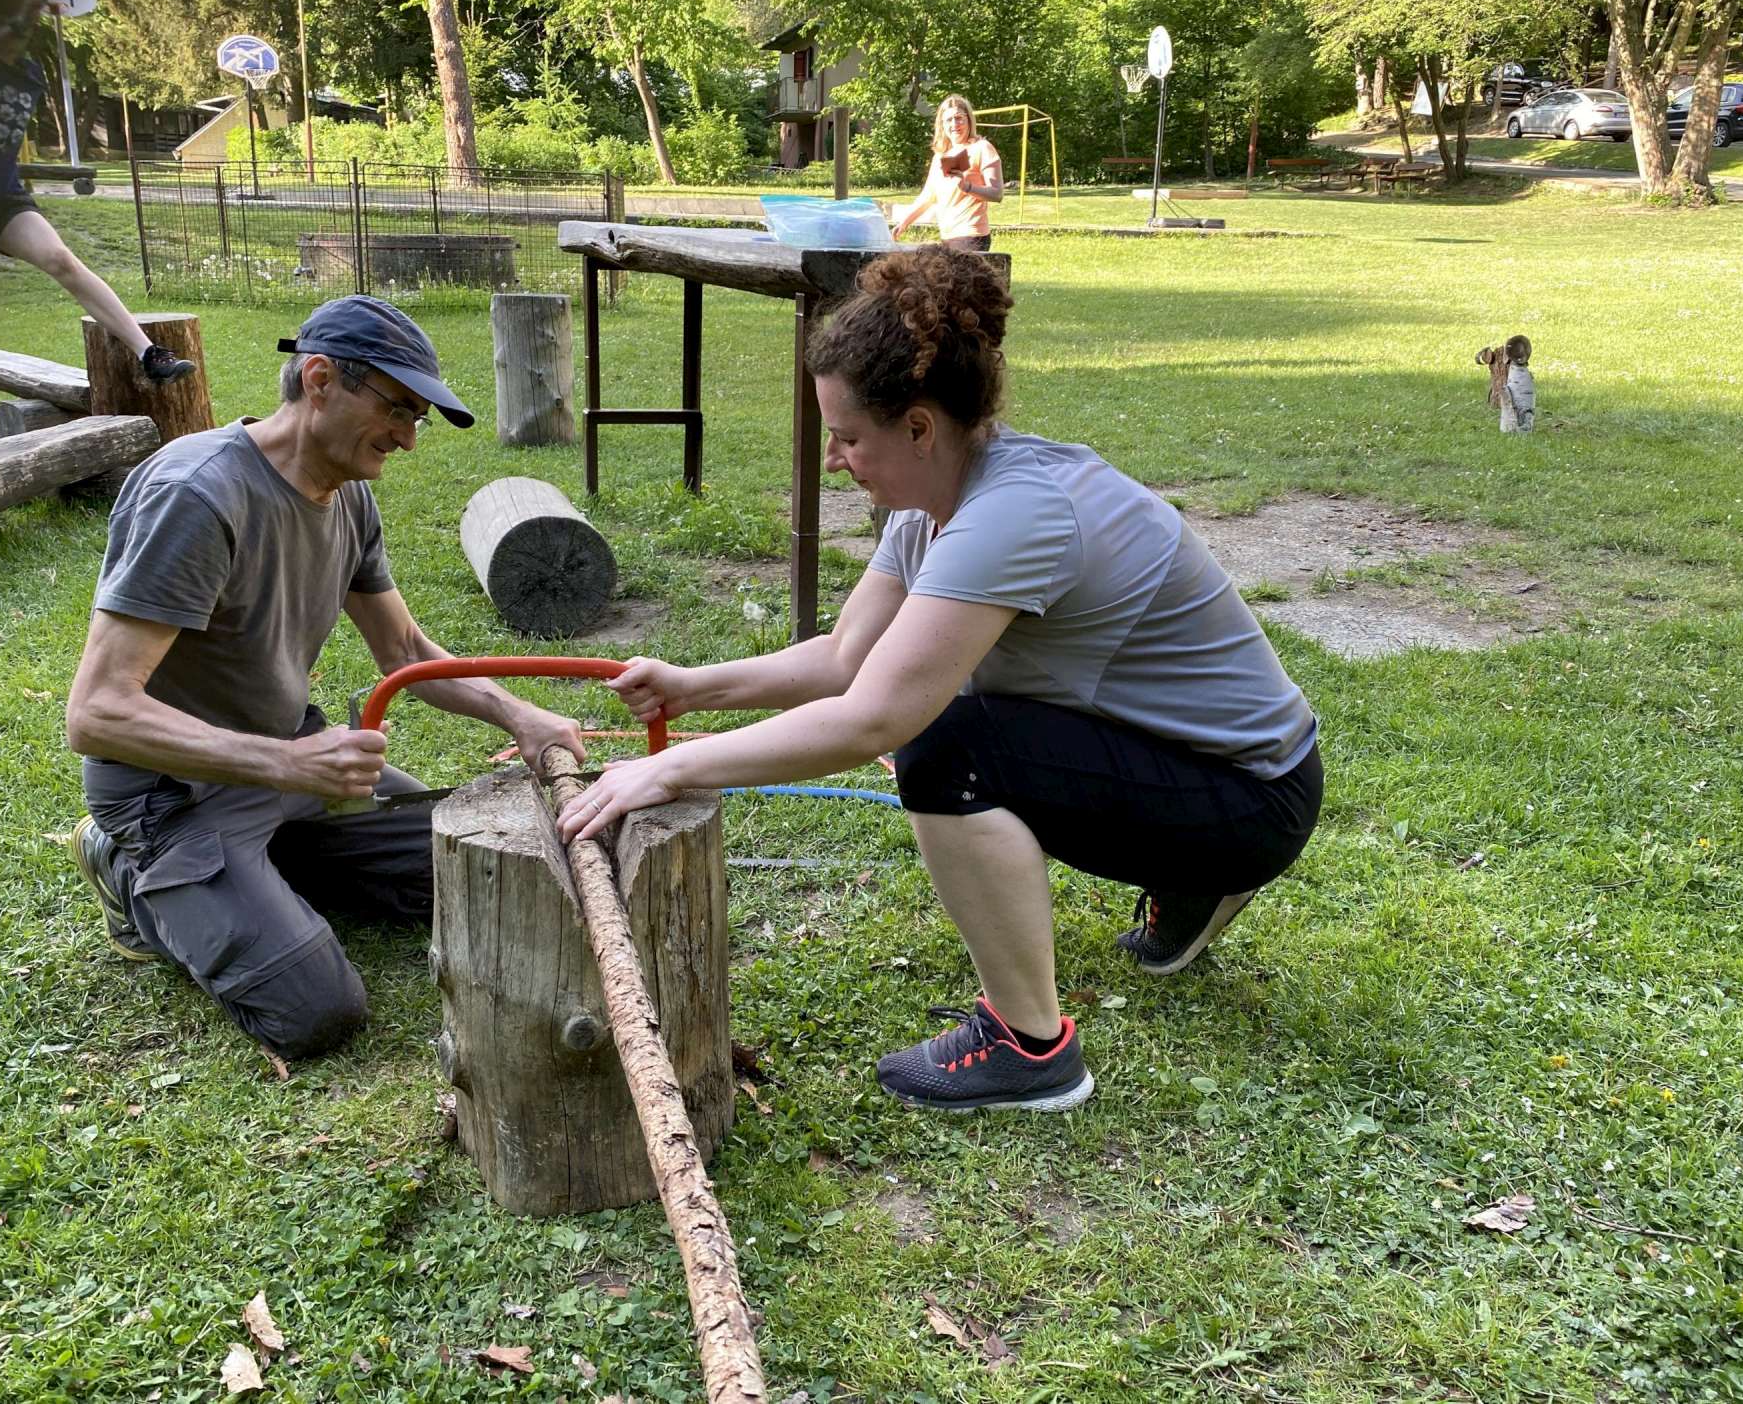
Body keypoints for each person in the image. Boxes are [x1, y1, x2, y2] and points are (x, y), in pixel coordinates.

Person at [556, 246, 1322, 1115]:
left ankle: (1032, 1050)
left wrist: (668, 769)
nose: (834, 459)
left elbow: (874, 718)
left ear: (919, 428)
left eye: (848, 437)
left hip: (1253, 799)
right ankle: (1194, 886)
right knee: (949, 716)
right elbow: (846, 657)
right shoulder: (941, 501)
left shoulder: (1014, 514)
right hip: (1213, 767)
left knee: (946, 747)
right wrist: (692, 686)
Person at [64, 295, 587, 1061]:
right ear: (319, 379)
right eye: (397, 410)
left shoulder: (348, 495)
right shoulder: (196, 495)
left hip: (290, 766)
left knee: (483, 875)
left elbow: (404, 650)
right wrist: (287, 763)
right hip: (172, 792)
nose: (408, 439)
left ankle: (269, 865)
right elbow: (97, 713)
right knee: (315, 1012)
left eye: (418, 418)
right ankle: (126, 869)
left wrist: (520, 715)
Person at [0, 0, 196, 459]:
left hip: (1, 198)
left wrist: (23, 23)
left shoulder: (29, 75)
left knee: (62, 260)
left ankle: (150, 353)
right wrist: (19, 19)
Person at [890, 95, 1004, 252]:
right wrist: (904, 223)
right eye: (949, 120)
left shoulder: (982, 148)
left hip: (972, 235)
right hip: (948, 236)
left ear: (969, 120)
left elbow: (997, 193)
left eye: (959, 118)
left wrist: (966, 186)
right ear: (942, 125)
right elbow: (928, 197)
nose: (954, 124)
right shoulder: (940, 157)